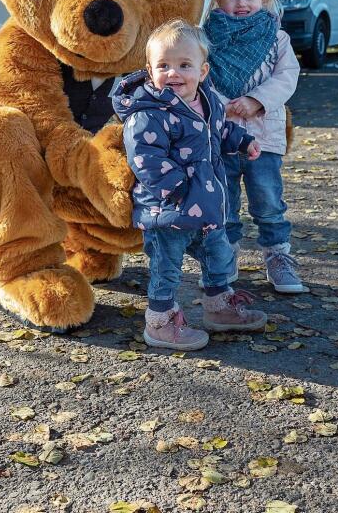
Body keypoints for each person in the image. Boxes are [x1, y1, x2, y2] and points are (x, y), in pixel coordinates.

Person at [113, 19, 267, 351]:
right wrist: (179, 189)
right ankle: (160, 322)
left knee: (218, 255)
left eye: (184, 65)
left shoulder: (208, 102)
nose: (173, 73)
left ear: (203, 70)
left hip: (206, 204)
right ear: (150, 70)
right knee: (167, 268)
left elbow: (220, 131)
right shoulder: (148, 114)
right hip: (168, 209)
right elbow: (146, 160)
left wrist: (243, 141)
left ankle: (218, 308)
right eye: (163, 66)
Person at [203, 0, 304, 293]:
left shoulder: (277, 38)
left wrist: (257, 100)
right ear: (218, 0)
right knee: (224, 201)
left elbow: (287, 77)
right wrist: (221, 105)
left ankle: (278, 257)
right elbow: (200, 77)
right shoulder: (208, 38)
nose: (241, 3)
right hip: (222, 136)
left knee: (268, 201)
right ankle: (225, 255)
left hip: (264, 135)